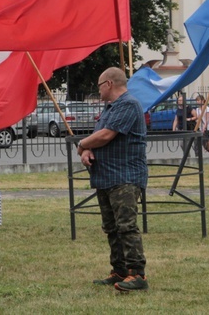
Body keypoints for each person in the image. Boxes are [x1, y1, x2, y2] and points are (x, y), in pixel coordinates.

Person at [77, 67, 148, 292]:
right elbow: (100, 139)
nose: (98, 91)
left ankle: (137, 274)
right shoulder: (110, 109)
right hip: (107, 176)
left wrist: (82, 145)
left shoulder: (128, 104)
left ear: (108, 84)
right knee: (112, 228)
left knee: (126, 226)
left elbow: (106, 135)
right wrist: (87, 150)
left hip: (124, 177)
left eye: (99, 86)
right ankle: (119, 270)